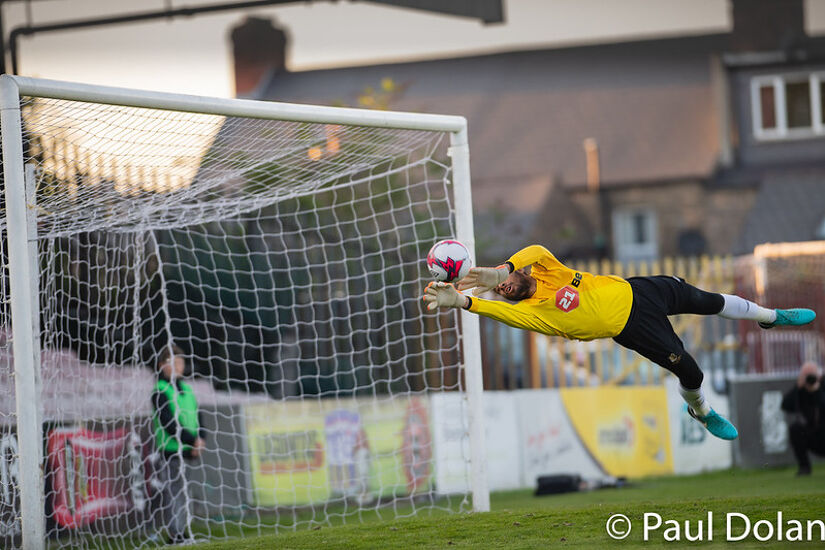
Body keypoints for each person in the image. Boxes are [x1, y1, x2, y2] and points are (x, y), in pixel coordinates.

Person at [422, 244, 816, 440]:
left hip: (641, 289)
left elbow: (537, 250)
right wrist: (462, 300)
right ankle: (702, 410)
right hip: (633, 327)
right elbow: (499, 312)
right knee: (691, 370)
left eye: (507, 282)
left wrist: (500, 268)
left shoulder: (547, 270)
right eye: (504, 289)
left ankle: (770, 317)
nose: (506, 289)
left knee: (707, 300)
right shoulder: (534, 311)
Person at [151, 343, 207, 545]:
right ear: (161, 365)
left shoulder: (187, 389)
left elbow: (198, 416)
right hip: (171, 450)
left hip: (189, 450)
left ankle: (182, 531)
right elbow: (169, 423)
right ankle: (175, 534)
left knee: (183, 493)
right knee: (173, 492)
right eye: (172, 362)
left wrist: (201, 439)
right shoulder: (159, 391)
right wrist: (192, 440)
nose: (177, 366)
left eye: (180, 362)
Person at [781, 361, 825, 476]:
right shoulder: (800, 390)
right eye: (806, 375)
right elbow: (785, 405)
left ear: (819, 375)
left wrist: (817, 391)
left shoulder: (822, 386)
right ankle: (804, 467)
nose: (810, 378)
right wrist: (798, 388)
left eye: (811, 375)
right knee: (795, 429)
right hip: (812, 433)